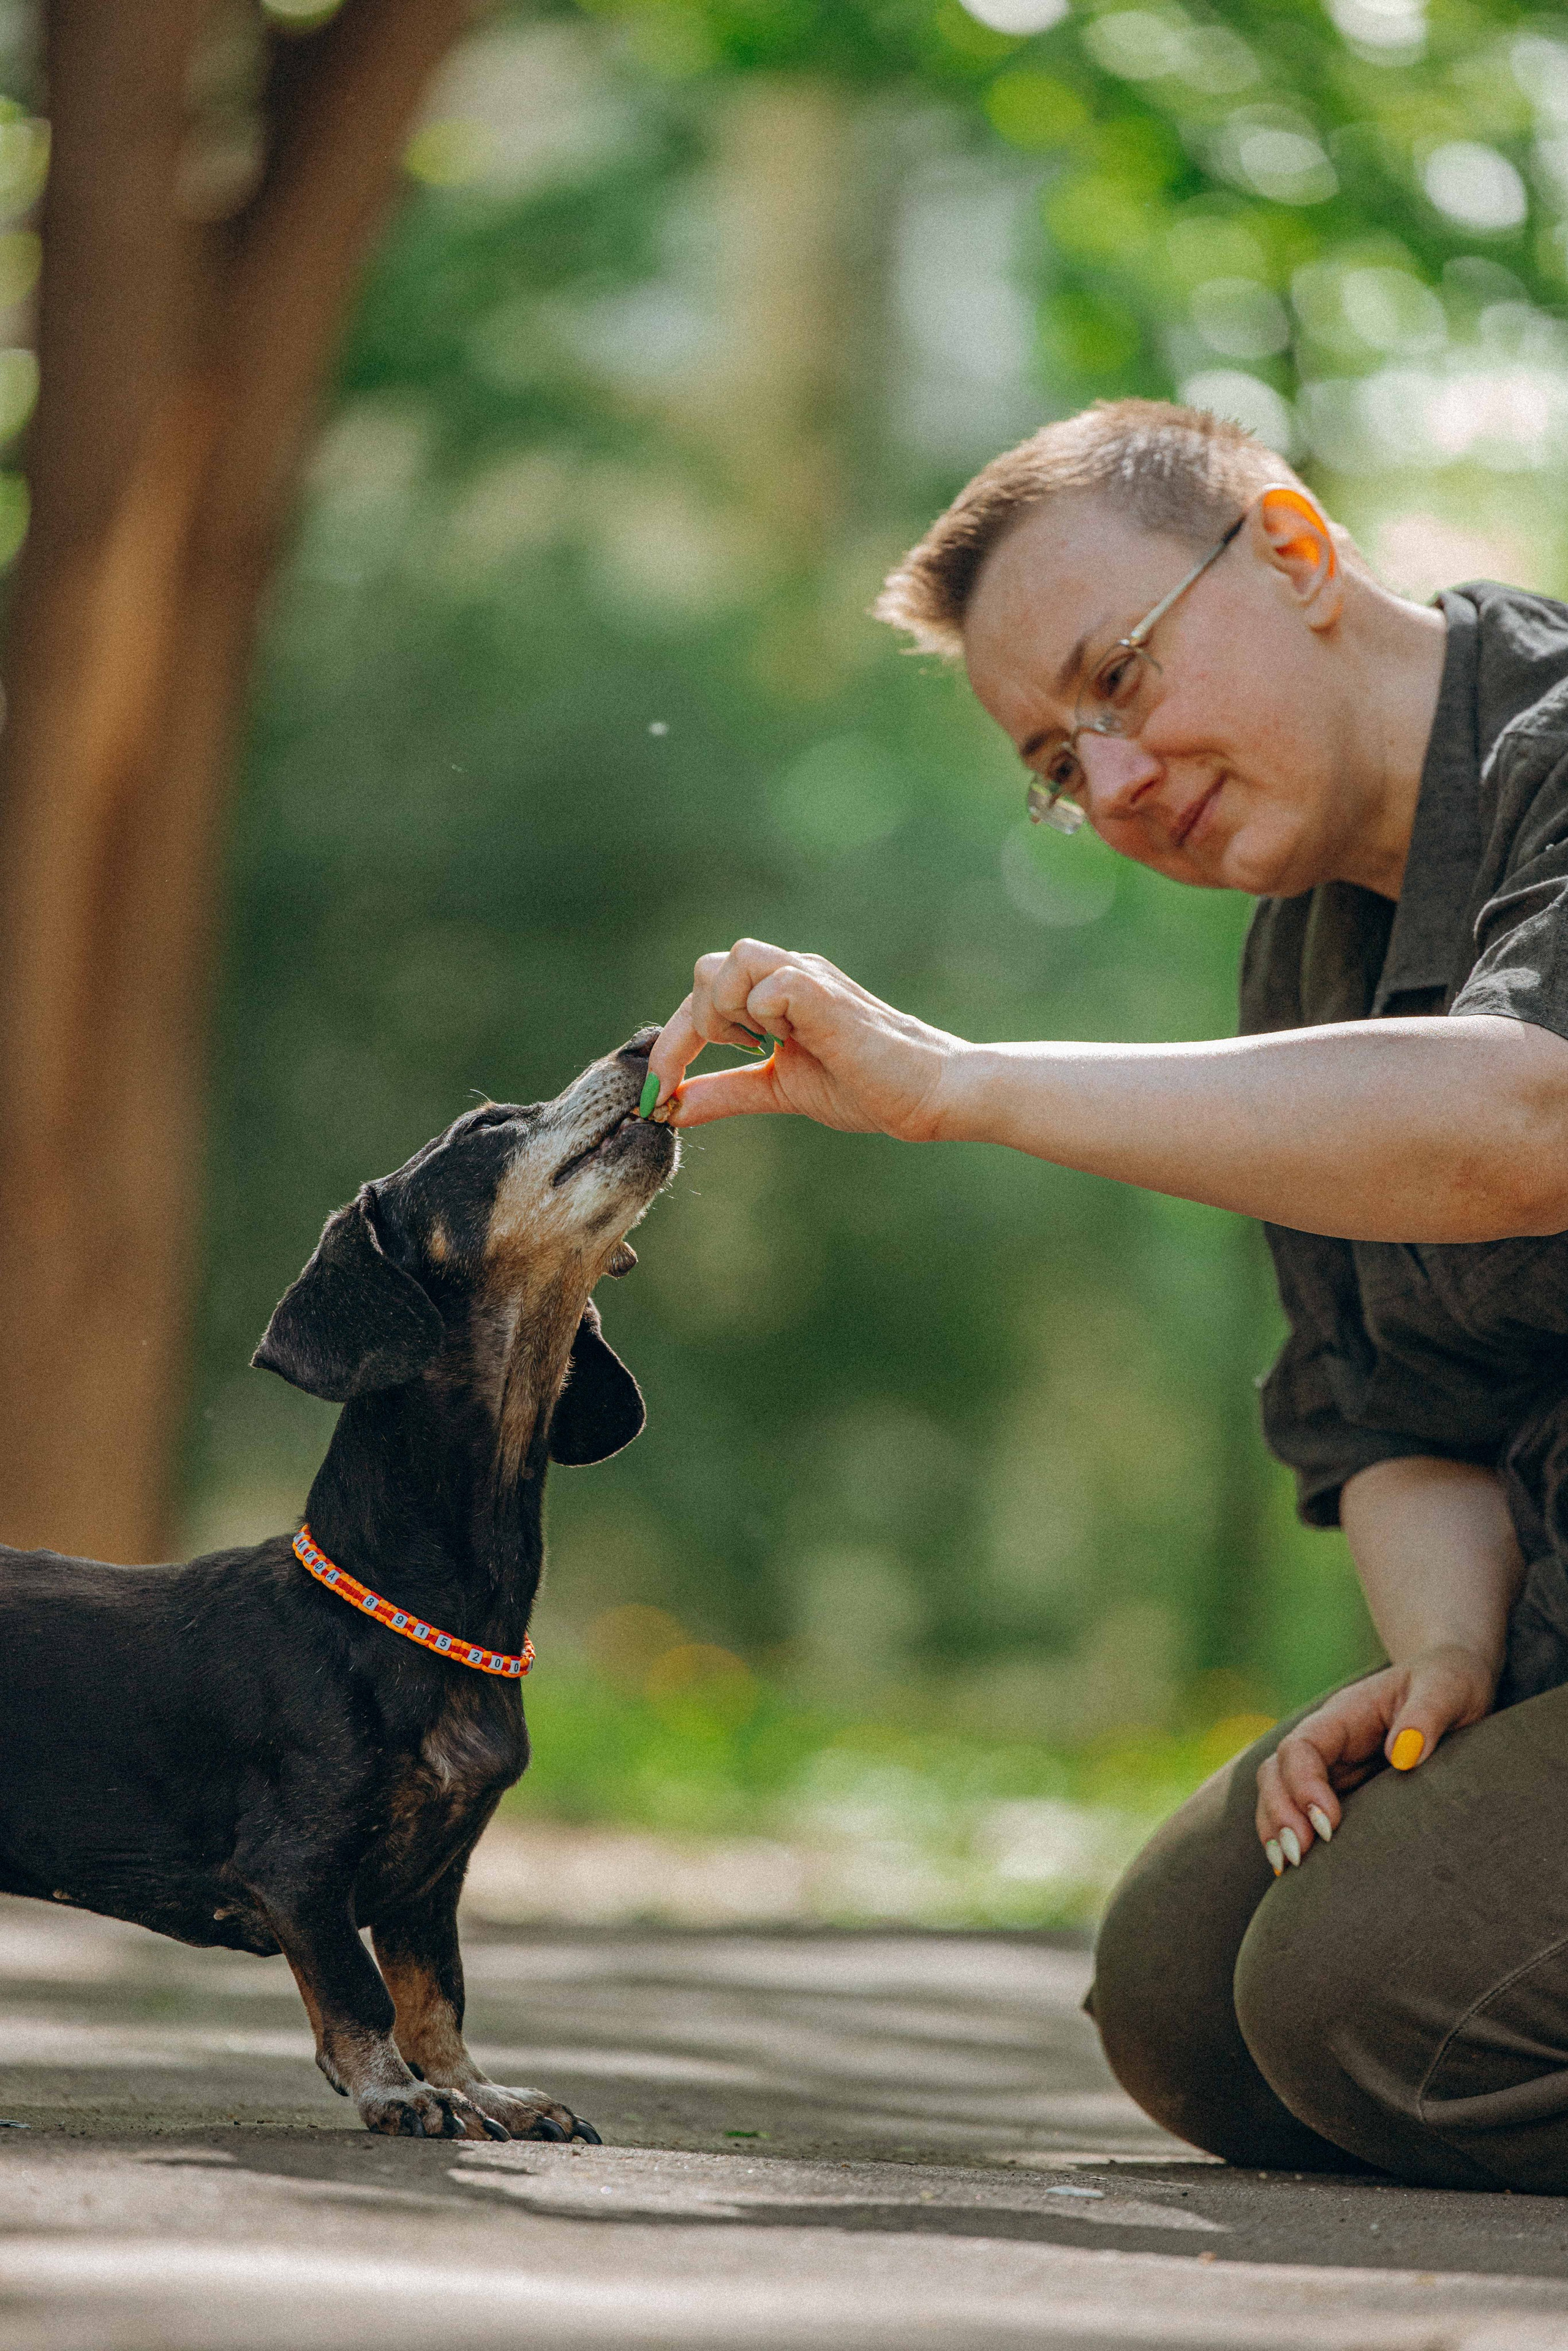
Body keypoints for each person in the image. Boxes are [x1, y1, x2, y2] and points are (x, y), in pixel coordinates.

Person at [645, 399, 1568, 2193]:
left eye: (1119, 679)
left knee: (1366, 2003)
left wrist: (960, 1086)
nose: (1117, 782)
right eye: (1061, 767)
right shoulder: (1308, 951)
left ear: (1293, 549)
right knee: (1183, 2002)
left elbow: (1526, 1123)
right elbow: (1385, 1417)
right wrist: (1449, 1657)